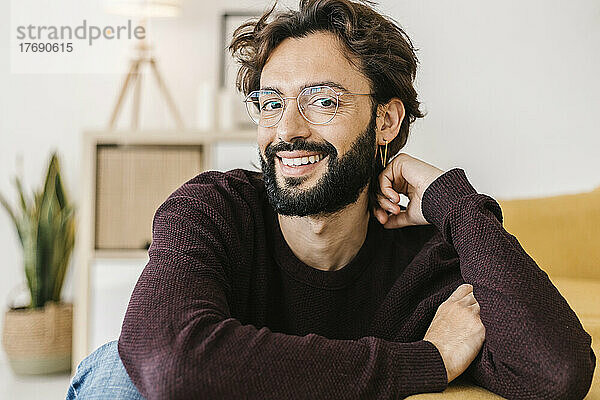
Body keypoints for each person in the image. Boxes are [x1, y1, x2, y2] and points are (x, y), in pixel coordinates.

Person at [66, 0, 596, 399]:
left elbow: (557, 371)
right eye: (270, 103)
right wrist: (425, 360)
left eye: (322, 100)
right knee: (118, 374)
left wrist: (450, 199)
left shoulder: (428, 258)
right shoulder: (212, 210)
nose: (287, 131)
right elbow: (169, 364)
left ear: (385, 121)